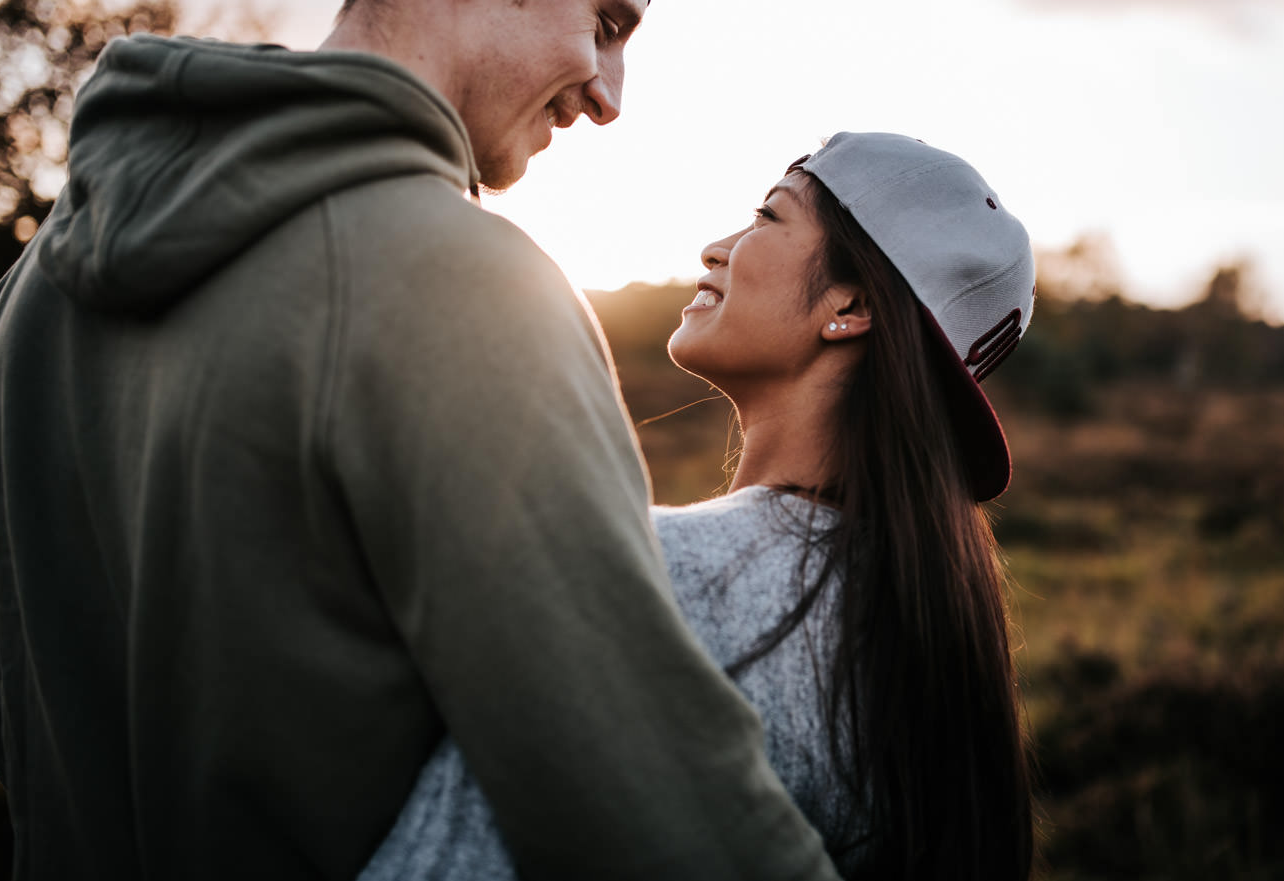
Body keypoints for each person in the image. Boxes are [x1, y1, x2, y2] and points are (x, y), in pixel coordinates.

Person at [0, 0, 843, 879]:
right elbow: (648, 795)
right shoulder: (466, 284)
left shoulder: (35, 286)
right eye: (607, 23)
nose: (610, 94)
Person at [364, 131, 1037, 881]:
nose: (718, 247)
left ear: (852, 303)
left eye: (767, 217)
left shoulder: (669, 578)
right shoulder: (917, 622)